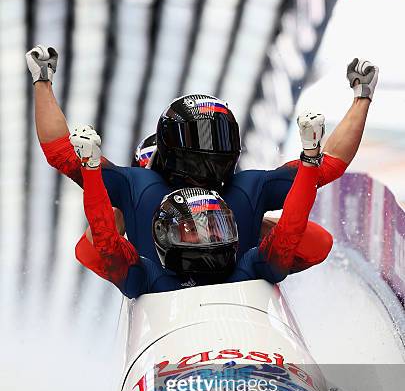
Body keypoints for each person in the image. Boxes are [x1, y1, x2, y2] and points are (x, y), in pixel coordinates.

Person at [26, 45, 378, 268]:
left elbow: (323, 173)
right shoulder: (141, 189)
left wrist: (43, 82)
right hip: (167, 312)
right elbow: (66, 160)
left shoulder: (246, 188)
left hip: (241, 301)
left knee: (314, 239)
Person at [71, 112, 327, 297]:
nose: (208, 235)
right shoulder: (146, 275)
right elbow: (105, 242)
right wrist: (90, 170)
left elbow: (291, 232)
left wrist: (310, 160)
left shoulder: (249, 264)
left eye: (216, 226)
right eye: (193, 229)